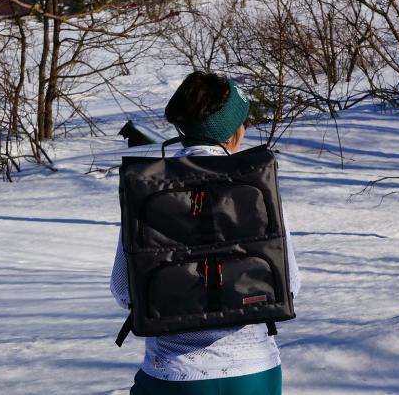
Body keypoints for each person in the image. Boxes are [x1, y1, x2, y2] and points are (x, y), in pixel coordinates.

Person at [110, 71, 301, 395]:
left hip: (174, 373)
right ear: (234, 134)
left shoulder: (148, 189)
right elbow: (290, 284)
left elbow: (123, 290)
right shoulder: (256, 186)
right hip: (256, 372)